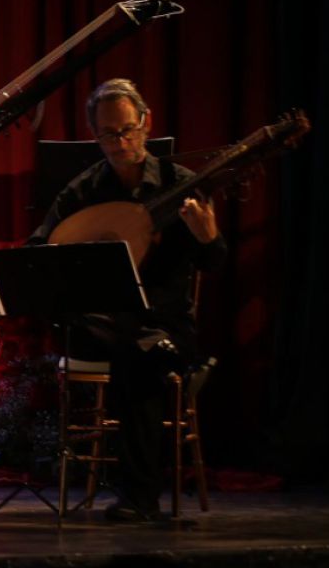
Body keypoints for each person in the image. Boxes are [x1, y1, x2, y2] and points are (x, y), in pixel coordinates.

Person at [28, 78, 224, 521]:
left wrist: (208, 238)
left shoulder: (182, 184)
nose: (119, 143)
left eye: (128, 130)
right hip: (98, 327)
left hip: (164, 322)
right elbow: (39, 249)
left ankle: (139, 498)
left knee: (138, 356)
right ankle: (140, 492)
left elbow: (215, 261)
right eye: (108, 134)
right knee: (132, 345)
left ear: (146, 123)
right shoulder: (83, 191)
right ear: (94, 134)